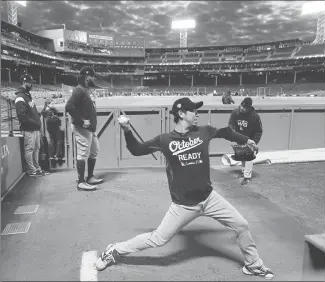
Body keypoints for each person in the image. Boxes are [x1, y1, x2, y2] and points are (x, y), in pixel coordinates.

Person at [95, 97, 274, 279]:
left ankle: (253, 265)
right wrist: (126, 130)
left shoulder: (204, 131)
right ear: (181, 114)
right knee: (158, 239)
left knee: (242, 225)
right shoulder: (165, 140)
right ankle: (115, 250)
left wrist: (247, 140)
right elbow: (137, 149)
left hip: (210, 198)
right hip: (184, 205)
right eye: (193, 111)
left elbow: (226, 132)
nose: (197, 114)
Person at [65, 66, 103, 191]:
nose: (94, 78)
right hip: (82, 127)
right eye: (92, 76)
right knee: (83, 153)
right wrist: (81, 120)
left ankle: (90, 177)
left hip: (90, 128)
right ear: (87, 77)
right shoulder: (79, 90)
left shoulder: (85, 89)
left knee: (94, 151)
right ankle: (81, 182)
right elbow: (69, 106)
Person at [15, 74, 49, 177]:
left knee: (36, 149)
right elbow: (22, 116)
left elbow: (32, 113)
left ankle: (37, 168)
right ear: (25, 83)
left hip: (35, 128)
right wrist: (35, 123)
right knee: (29, 149)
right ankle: (31, 170)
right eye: (30, 83)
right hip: (28, 129)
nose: (31, 84)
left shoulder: (27, 95)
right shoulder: (20, 97)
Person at [228, 97, 263, 185]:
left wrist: (254, 142)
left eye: (245, 107)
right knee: (241, 155)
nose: (242, 108)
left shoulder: (254, 116)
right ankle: (243, 172)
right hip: (240, 137)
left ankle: (247, 177)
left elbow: (259, 131)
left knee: (248, 157)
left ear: (249, 107)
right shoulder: (235, 112)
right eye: (242, 106)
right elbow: (231, 124)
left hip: (250, 138)